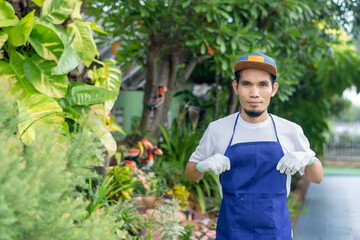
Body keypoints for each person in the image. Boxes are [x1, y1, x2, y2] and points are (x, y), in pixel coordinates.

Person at [185, 52, 323, 240]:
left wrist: (308, 159)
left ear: (273, 89)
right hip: (231, 231)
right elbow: (190, 173)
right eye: (247, 84)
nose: (254, 93)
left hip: (276, 232)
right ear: (236, 87)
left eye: (262, 85)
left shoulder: (290, 130)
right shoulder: (218, 129)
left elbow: (317, 177)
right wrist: (202, 166)